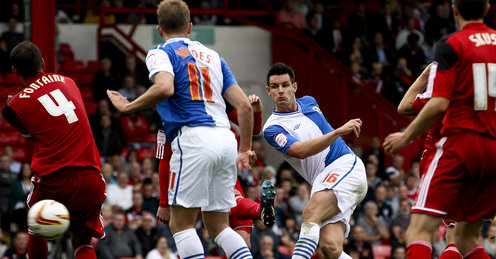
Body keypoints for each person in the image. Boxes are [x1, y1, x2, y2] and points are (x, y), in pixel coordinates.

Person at [106, 1, 255, 259]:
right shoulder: (215, 57)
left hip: (194, 139)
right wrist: (245, 149)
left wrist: (128, 107)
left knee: (181, 225)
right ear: (190, 27)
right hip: (226, 139)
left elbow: (165, 88)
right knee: (218, 226)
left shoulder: (160, 52)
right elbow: (244, 106)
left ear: (159, 29)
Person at [383, 0, 496, 258]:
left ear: (455, 9)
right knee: (468, 239)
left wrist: (405, 136)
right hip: (493, 149)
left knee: (419, 232)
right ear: (487, 9)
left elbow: (435, 103)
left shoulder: (451, 47)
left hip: (458, 148)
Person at [2, 41, 105, 259]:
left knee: (37, 230)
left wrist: (16, 101)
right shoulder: (69, 82)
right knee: (82, 240)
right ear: (42, 62)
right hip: (90, 175)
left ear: (14, 70)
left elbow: (31, 133)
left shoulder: (13, 107)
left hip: (54, 178)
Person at [262, 62, 367, 259]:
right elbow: (301, 151)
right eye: (275, 87)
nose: (280, 91)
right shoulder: (272, 129)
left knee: (310, 213)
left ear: (294, 87)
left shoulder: (310, 101)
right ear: (268, 91)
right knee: (329, 248)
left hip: (345, 167)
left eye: (285, 85)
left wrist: (335, 135)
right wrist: (338, 132)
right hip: (324, 181)